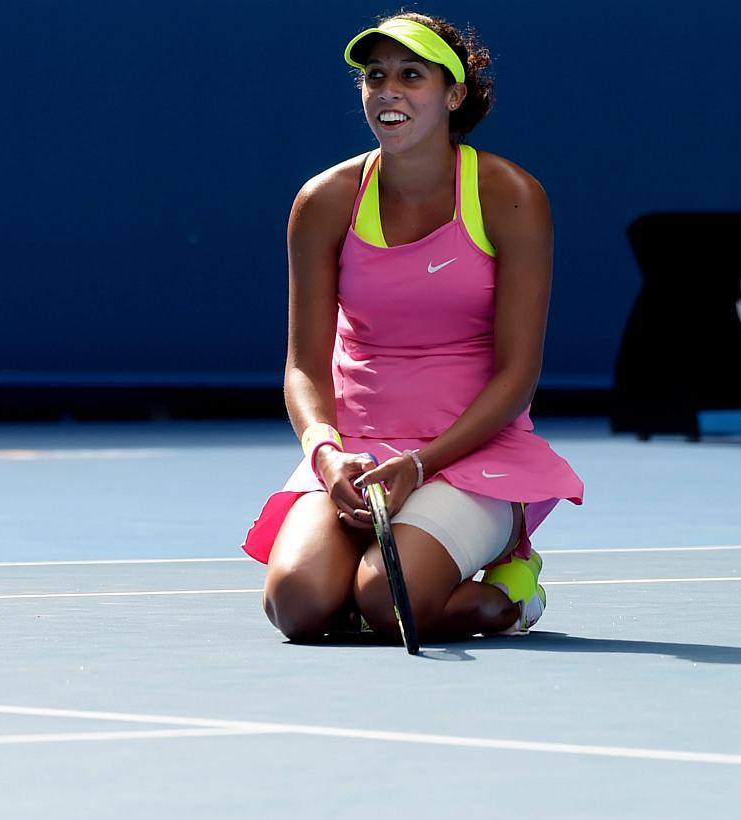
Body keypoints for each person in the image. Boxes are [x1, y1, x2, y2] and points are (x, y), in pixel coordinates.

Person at [241, 12, 583, 643]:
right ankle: (377, 579)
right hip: (357, 453)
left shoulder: (511, 196)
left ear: (454, 96)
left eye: (411, 75)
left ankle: (512, 591)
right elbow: (304, 367)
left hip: (469, 454)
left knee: (385, 600)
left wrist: (422, 466)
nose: (387, 90)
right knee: (298, 605)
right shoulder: (324, 201)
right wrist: (326, 451)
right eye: (374, 76)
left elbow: (518, 375)